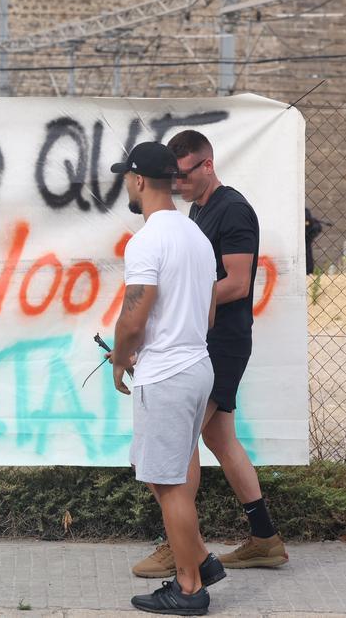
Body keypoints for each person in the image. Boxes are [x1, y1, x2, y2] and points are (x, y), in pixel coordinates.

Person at [127, 130, 287, 580]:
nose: (176, 185)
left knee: (180, 444)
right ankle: (265, 539)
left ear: (208, 165)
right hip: (205, 336)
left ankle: (182, 549)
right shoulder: (197, 211)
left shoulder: (232, 209)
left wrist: (182, 300)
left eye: (184, 174)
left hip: (221, 340)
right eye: (172, 177)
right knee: (220, 439)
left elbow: (237, 282)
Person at [109, 141, 224, 615]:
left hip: (167, 374)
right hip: (197, 366)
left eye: (125, 179)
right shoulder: (195, 235)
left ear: (137, 180)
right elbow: (211, 312)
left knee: (170, 484)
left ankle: (190, 587)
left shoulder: (147, 240)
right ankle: (199, 559)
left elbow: (133, 316)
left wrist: (121, 357)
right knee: (162, 478)